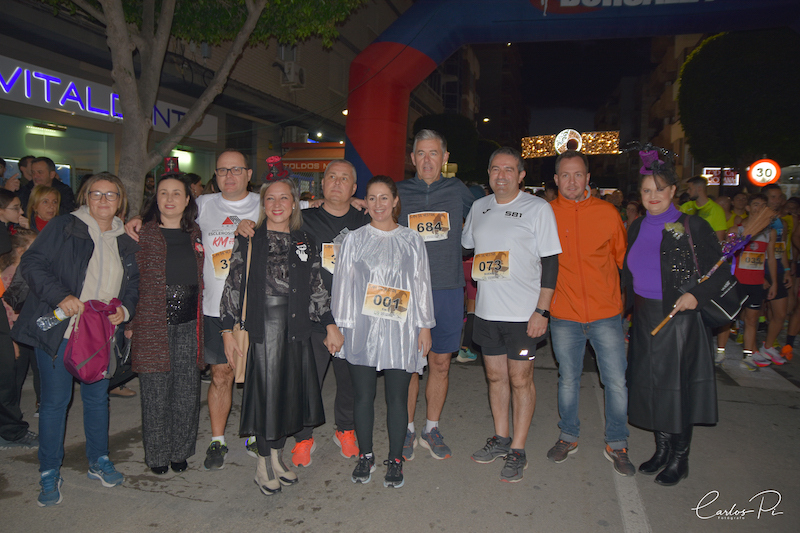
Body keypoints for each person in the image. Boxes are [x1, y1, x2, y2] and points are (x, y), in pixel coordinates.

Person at [126, 149, 261, 470]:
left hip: (253, 308)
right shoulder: (201, 206)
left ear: (249, 173)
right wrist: (137, 219)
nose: (229, 176)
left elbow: (305, 210)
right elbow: (165, 215)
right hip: (209, 309)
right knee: (219, 375)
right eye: (222, 170)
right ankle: (217, 440)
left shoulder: (266, 202)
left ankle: (255, 433)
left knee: (256, 375)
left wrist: (352, 204)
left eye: (236, 170)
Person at [12, 172, 139, 506]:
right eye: (96, 194)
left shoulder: (125, 240)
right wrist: (60, 295)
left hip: (100, 335)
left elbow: (134, 283)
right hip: (61, 331)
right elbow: (32, 263)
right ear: (86, 197)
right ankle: (49, 470)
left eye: (110, 195)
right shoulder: (64, 226)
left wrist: (125, 310)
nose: (103, 200)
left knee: (97, 399)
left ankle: (98, 460)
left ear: (120, 201)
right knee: (55, 403)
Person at [220, 178, 338, 496]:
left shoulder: (304, 240)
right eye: (270, 198)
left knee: (287, 395)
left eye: (283, 198)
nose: (277, 204)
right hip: (264, 326)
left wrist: (329, 323)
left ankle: (276, 456)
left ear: (294, 203)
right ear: (263, 204)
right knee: (266, 396)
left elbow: (315, 285)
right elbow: (233, 283)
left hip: (296, 326)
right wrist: (226, 330)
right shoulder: (250, 237)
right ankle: (262, 465)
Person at [462, 147, 561, 483]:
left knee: (520, 379)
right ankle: (501, 438)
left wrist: (542, 310)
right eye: (495, 169)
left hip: (523, 314)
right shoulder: (479, 207)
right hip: (488, 313)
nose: (501, 175)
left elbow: (551, 261)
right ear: (489, 174)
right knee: (495, 377)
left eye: (508, 169)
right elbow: (464, 247)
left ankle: (518, 449)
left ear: (521, 175)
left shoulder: (538, 208)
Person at [622, 159, 723, 486]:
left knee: (677, 390)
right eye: (646, 191)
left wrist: (697, 294)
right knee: (652, 386)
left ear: (673, 191)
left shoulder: (693, 226)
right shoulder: (637, 226)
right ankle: (662, 449)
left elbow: (721, 270)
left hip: (680, 319)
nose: (653, 196)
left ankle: (680, 458)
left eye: (660, 189)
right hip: (645, 316)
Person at [331, 175, 434, 488]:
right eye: (372, 198)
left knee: (397, 398)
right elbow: (343, 286)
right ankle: (366, 455)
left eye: (384, 197)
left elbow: (421, 284)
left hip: (401, 329)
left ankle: (395, 458)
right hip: (362, 328)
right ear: (366, 202)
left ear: (395, 201)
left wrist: (424, 326)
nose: (378, 204)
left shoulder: (412, 240)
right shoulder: (354, 239)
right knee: (363, 396)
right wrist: (340, 326)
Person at [546, 150, 633, 476]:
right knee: (568, 379)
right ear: (556, 179)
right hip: (564, 315)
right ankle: (568, 436)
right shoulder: (546, 214)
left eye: (578, 174)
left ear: (588, 178)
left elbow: (624, 260)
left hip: (606, 313)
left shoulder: (608, 213)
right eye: (565, 175)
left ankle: (617, 442)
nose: (572, 181)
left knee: (616, 382)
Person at [398, 129, 474, 461]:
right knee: (409, 366)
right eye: (421, 153)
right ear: (412, 158)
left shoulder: (459, 191)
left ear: (445, 158)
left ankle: (431, 427)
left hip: (447, 290)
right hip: (407, 292)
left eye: (434, 153)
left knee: (440, 363)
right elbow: (368, 212)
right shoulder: (398, 192)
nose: (427, 160)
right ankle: (406, 429)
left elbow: (489, 215)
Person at [130, 175, 204, 475]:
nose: (170, 199)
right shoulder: (141, 234)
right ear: (156, 198)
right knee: (155, 394)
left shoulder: (195, 233)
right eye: (163, 193)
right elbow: (129, 280)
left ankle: (180, 451)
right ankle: (157, 454)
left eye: (176, 193)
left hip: (189, 321)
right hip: (152, 323)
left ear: (187, 200)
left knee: (187, 391)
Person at [679, 176, 727, 241]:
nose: (688, 191)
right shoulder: (685, 207)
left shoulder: (716, 210)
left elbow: (719, 238)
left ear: (699, 188)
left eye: (690, 189)